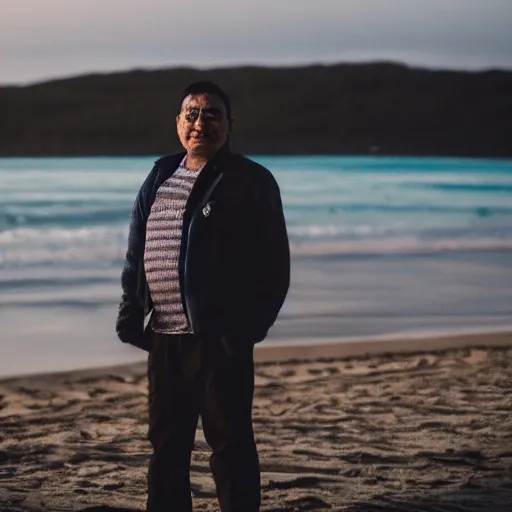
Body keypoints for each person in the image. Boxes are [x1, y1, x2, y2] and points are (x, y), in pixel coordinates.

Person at [116, 80, 290, 512]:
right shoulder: (159, 174)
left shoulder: (250, 180)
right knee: (167, 447)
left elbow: (275, 268)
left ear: (229, 124)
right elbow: (138, 250)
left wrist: (246, 331)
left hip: (220, 341)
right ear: (178, 123)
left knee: (229, 446)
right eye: (191, 114)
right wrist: (130, 310)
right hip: (165, 337)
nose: (200, 122)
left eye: (211, 113)